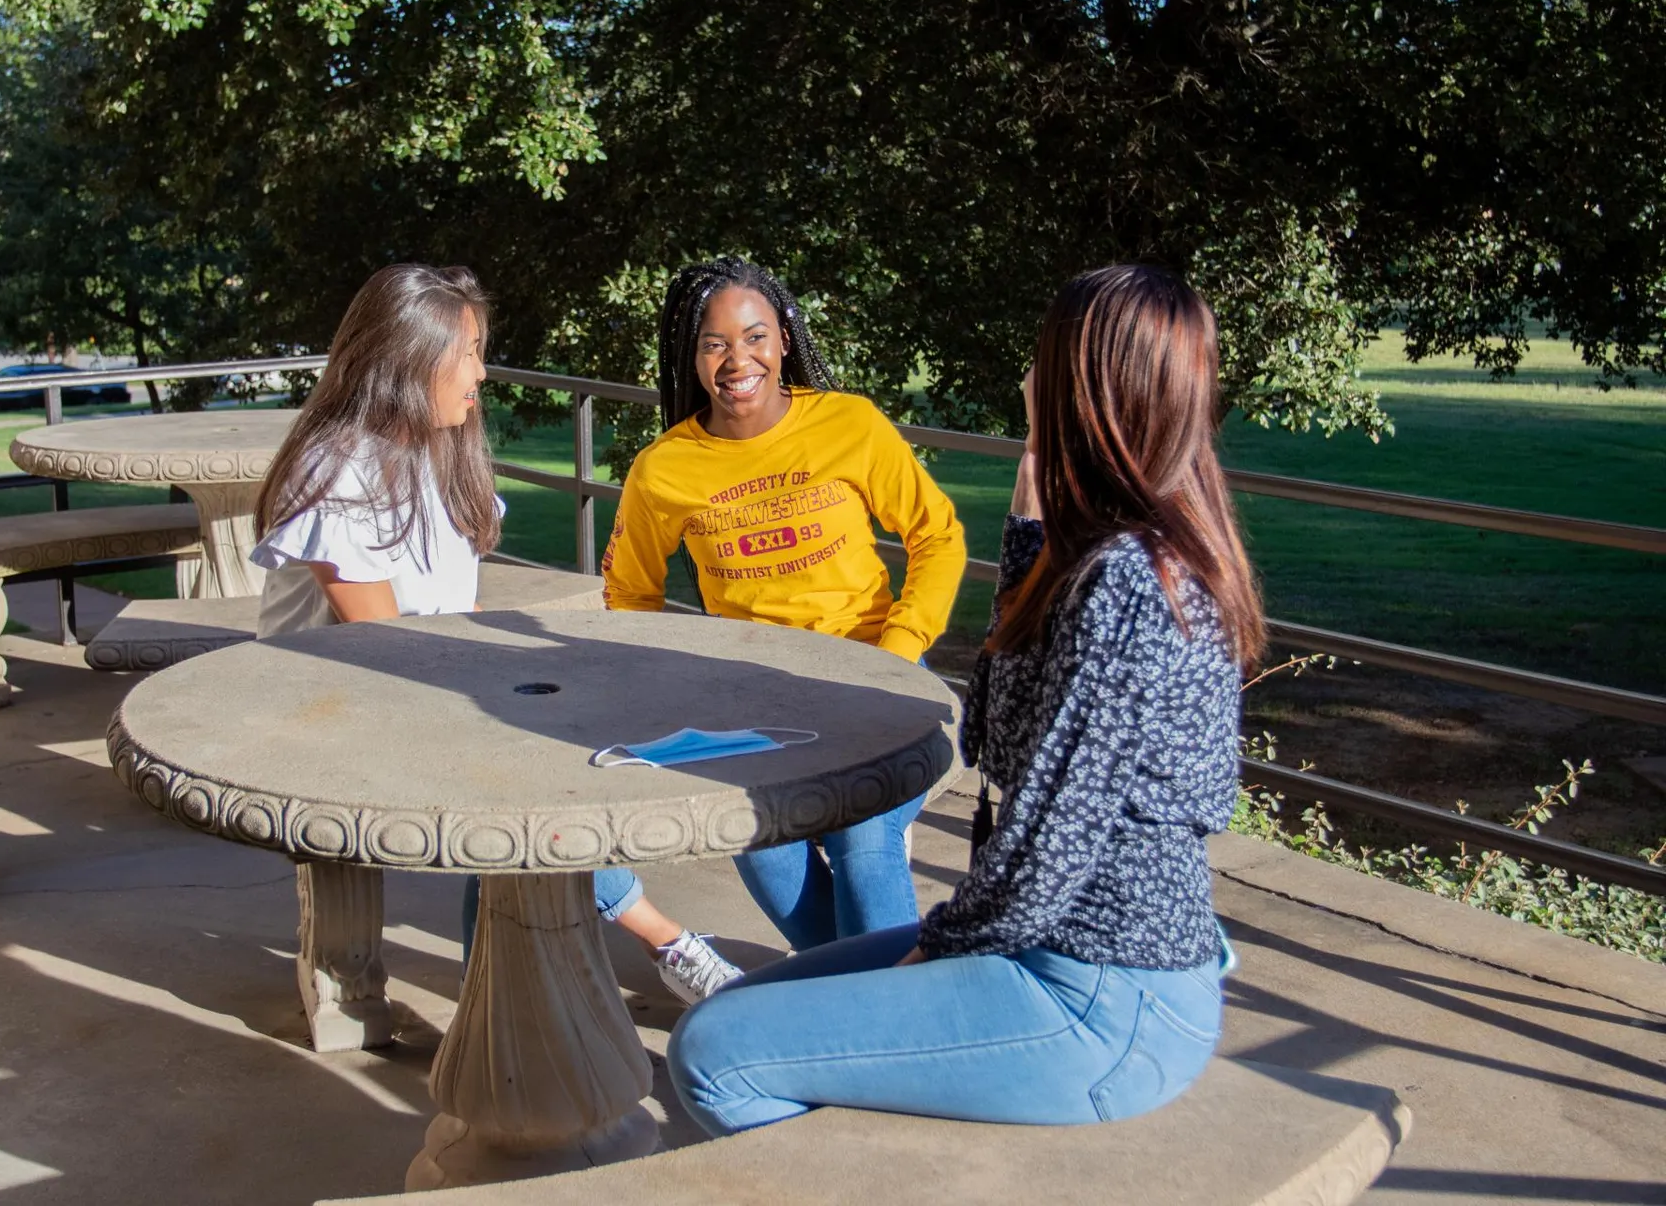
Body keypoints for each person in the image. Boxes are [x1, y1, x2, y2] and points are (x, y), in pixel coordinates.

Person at [664, 263, 1266, 1136]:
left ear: (1084, 391)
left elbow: (1049, 843)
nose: (1025, 380)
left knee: (713, 1051)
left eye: (1041, 362)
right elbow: (998, 734)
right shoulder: (1104, 552)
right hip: (1047, 946)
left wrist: (931, 952)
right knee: (741, 1008)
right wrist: (1028, 539)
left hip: (1099, 988)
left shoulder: (1136, 584)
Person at [249, 262, 727, 1003]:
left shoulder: (434, 453)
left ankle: (512, 982)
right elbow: (388, 644)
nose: (482, 371)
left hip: (411, 691)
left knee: (566, 760)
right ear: (409, 360)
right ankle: (662, 945)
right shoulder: (339, 469)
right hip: (332, 711)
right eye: (468, 352)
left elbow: (443, 630)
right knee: (535, 792)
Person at [603, 257, 968, 956]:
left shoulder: (849, 425)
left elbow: (939, 536)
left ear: (785, 340)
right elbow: (630, 594)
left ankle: (880, 1011)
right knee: (758, 843)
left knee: (862, 838)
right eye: (715, 343)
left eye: (756, 336)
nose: (738, 360)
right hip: (754, 700)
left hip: (872, 677)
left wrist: (897, 651)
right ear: (692, 355)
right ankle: (868, 998)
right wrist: (670, 684)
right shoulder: (663, 469)